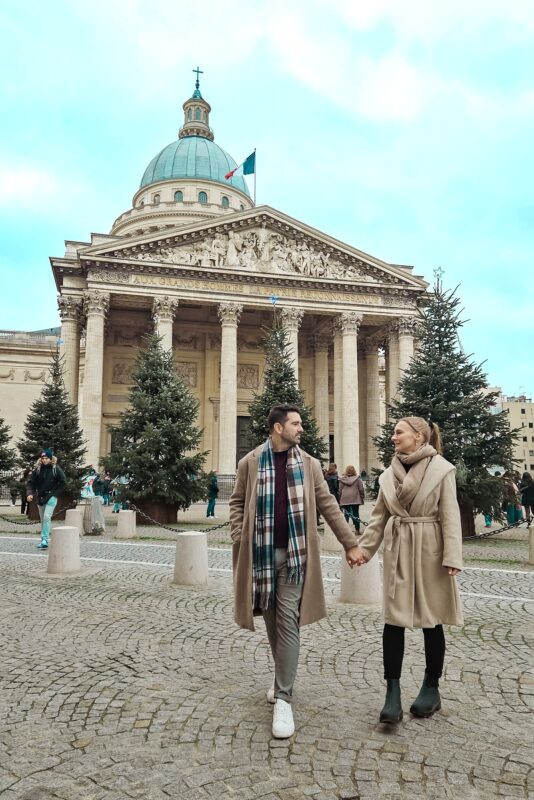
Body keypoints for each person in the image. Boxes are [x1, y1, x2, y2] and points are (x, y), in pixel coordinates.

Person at [229, 405, 361, 739]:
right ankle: (281, 682)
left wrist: (350, 543)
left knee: (287, 619)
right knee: (272, 620)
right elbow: (236, 501)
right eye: (296, 423)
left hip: (294, 555)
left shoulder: (310, 464)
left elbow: (329, 504)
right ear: (277, 427)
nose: (302, 428)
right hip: (260, 556)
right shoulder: (250, 462)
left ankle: (284, 698)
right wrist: (238, 536)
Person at [348, 416, 463, 724]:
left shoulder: (442, 469)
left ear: (419, 437)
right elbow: (378, 518)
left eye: (399, 432)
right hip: (399, 547)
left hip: (430, 548)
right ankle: (392, 693)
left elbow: (450, 515)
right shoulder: (388, 474)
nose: (393, 437)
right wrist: (363, 550)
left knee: (432, 619)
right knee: (393, 620)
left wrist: (452, 556)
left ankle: (431, 687)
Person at [26, 449, 66, 549]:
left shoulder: (56, 469)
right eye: (43, 458)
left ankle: (45, 539)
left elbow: (63, 482)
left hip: (51, 497)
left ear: (51, 459)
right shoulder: (38, 470)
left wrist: (55, 494)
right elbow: (30, 482)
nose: (44, 460)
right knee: (43, 519)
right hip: (40, 497)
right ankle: (43, 539)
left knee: (47, 517)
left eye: (46, 458)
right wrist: (30, 493)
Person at [338, 465, 365, 532]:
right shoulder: (358, 479)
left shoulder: (342, 480)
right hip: (355, 498)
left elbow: (340, 490)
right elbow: (361, 489)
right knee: (356, 513)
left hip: (345, 498)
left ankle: (345, 531)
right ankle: (357, 530)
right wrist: (362, 496)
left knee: (346, 514)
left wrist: (339, 498)